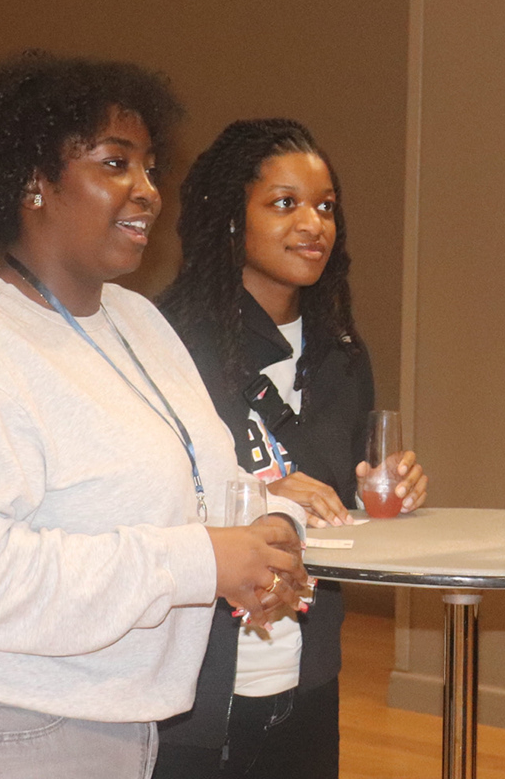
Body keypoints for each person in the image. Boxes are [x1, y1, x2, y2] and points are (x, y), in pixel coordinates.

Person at [0, 54, 311, 779]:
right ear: (32, 181)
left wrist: (270, 531)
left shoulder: (138, 323)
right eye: (115, 163)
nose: (147, 190)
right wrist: (200, 562)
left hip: (100, 723)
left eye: (150, 167)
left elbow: (195, 483)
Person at [154, 118, 427, 778]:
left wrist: (388, 486)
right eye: (284, 204)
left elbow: (345, 491)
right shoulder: (168, 343)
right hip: (196, 688)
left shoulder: (342, 352)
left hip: (307, 677)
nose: (313, 224)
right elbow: (143, 500)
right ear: (231, 218)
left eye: (325, 207)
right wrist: (262, 495)